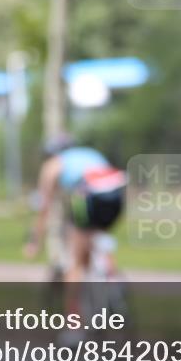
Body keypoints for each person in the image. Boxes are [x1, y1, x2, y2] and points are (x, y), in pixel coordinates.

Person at [23, 135, 126, 317]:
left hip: (88, 193)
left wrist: (35, 241)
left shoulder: (53, 164)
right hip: (116, 194)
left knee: (75, 261)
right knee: (98, 237)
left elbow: (44, 208)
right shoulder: (89, 153)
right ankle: (113, 283)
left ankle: (74, 322)